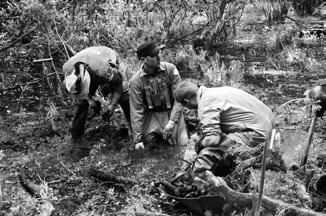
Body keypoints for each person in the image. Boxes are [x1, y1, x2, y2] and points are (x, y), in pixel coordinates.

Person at [174, 81, 274, 176]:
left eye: (185, 105)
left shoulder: (205, 104)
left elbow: (213, 140)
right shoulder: (216, 91)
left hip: (257, 132)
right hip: (268, 125)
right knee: (224, 140)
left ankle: (197, 180)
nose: (188, 108)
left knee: (209, 151)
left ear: (186, 101)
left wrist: (200, 144)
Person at [129, 42, 189, 150]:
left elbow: (179, 98)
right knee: (147, 145)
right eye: (153, 55)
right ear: (143, 60)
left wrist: (172, 121)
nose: (158, 57)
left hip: (172, 113)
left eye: (158, 53)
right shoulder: (136, 81)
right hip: (152, 115)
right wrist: (137, 139)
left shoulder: (170, 69)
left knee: (182, 146)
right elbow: (136, 110)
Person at [63, 46, 130, 140]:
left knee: (123, 96)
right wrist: (90, 101)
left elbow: (118, 85)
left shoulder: (105, 69)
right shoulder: (67, 69)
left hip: (106, 56)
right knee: (81, 103)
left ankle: (137, 131)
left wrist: (112, 105)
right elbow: (79, 91)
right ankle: (76, 139)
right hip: (89, 65)